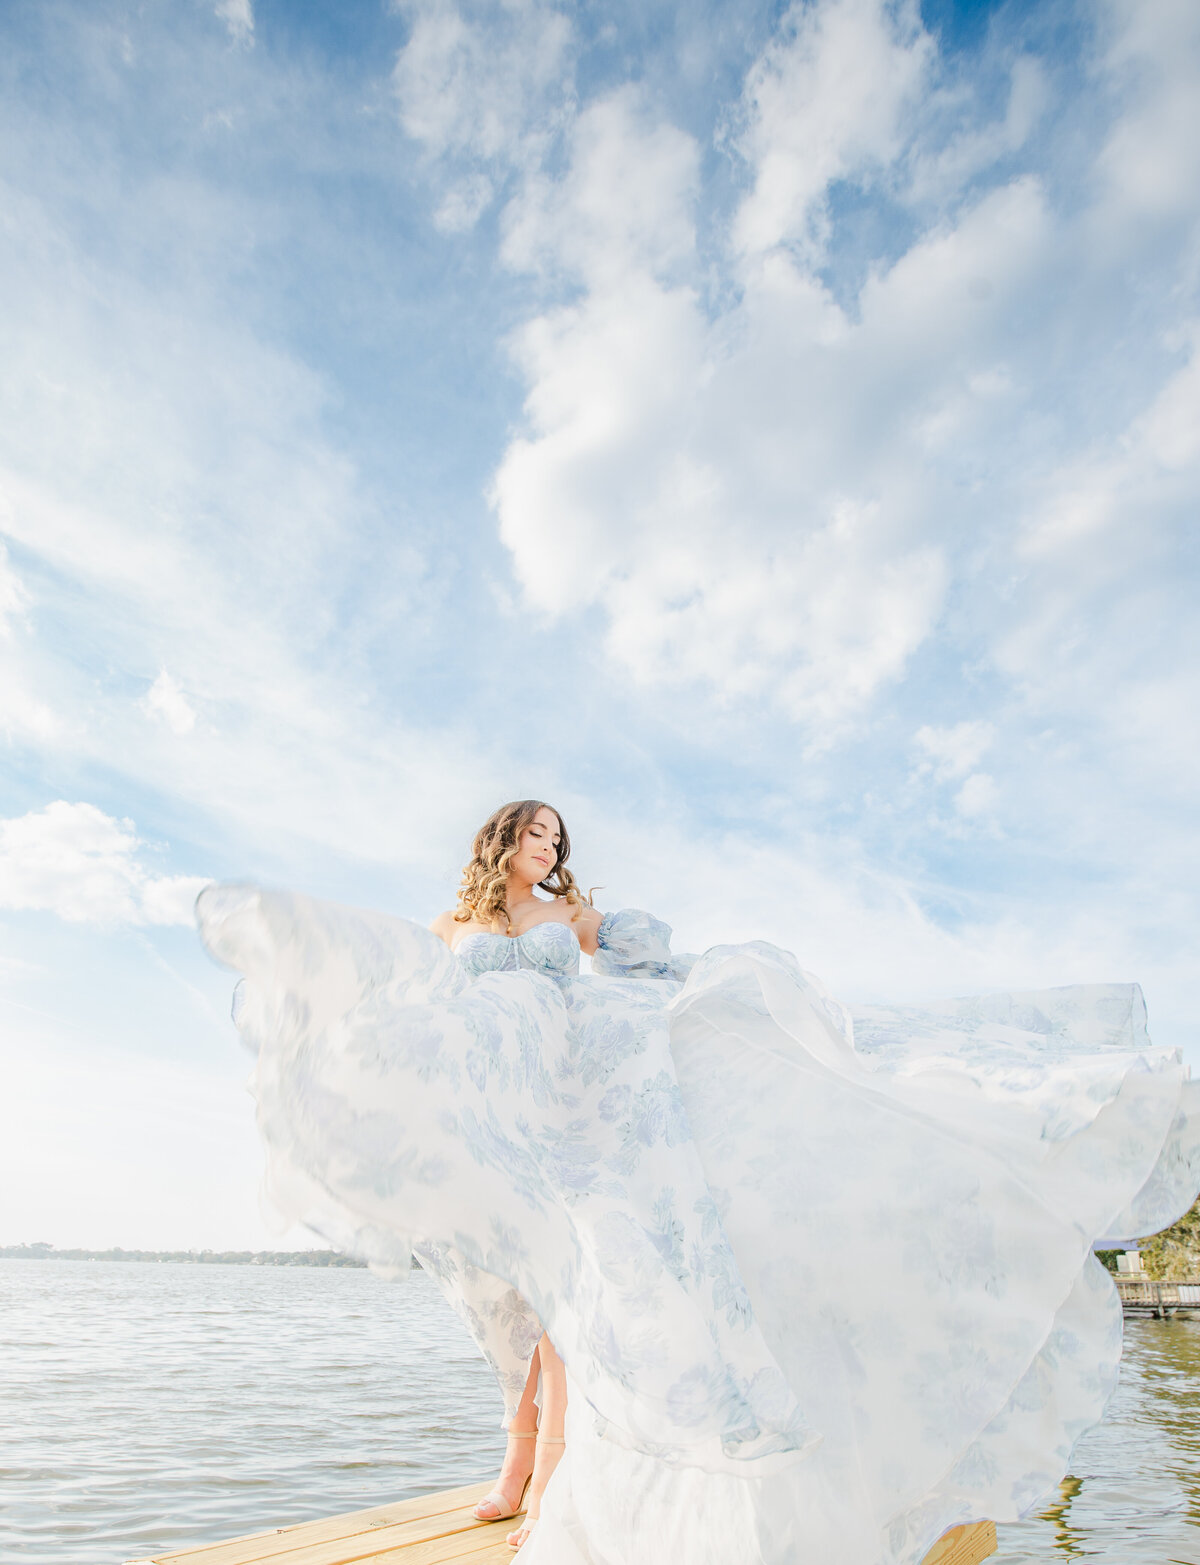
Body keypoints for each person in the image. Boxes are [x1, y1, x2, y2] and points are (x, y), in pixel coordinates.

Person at [197, 798, 1200, 1565]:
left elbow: (640, 957)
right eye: (536, 835)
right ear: (501, 840)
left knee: (572, 1287)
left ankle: (544, 1482)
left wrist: (603, 926)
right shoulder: (453, 924)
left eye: (558, 838)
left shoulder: (563, 912)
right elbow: (426, 996)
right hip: (505, 1097)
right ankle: (515, 1465)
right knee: (514, 1290)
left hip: (581, 1085)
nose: (550, 848)